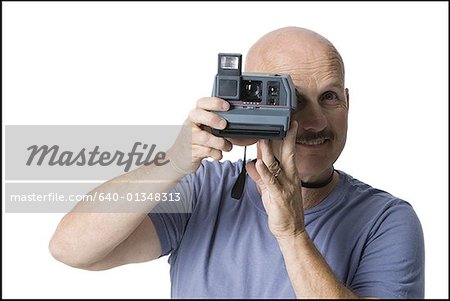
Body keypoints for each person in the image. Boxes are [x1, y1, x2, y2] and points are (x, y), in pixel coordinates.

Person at [49, 26, 425, 299]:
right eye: (292, 98)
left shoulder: (385, 220)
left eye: (328, 97)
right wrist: (174, 162)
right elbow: (72, 249)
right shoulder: (205, 190)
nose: (314, 123)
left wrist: (292, 233)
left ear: (348, 101)